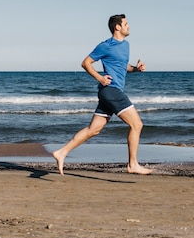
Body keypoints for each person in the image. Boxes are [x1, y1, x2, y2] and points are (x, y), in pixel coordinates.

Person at [53, 14, 153, 176]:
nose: (129, 26)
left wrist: (136, 69)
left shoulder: (126, 45)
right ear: (117, 27)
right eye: (126, 24)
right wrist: (100, 77)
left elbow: (122, 65)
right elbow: (85, 63)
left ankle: (61, 152)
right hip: (111, 90)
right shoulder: (106, 45)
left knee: (93, 130)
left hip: (111, 92)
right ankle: (133, 164)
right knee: (137, 125)